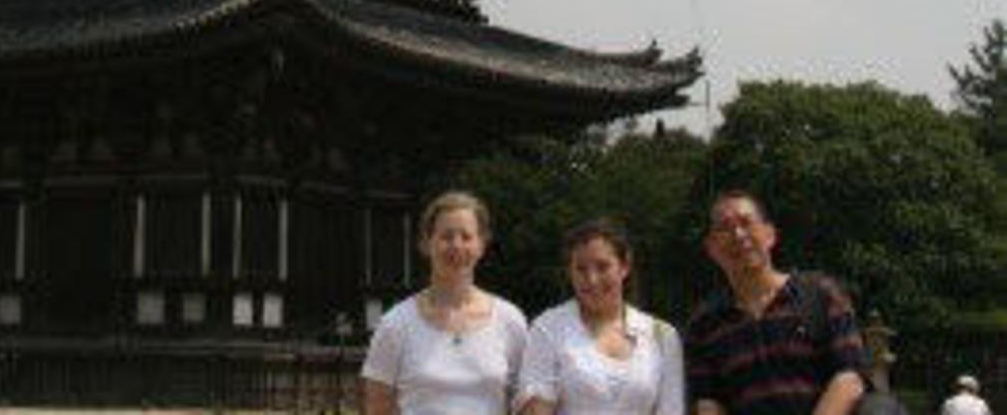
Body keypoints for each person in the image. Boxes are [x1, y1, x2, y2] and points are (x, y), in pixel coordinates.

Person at [684, 189, 866, 415]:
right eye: (725, 228)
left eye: (746, 222)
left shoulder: (820, 294)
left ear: (770, 234)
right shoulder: (704, 325)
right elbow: (708, 401)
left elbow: (849, 378)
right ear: (711, 248)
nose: (739, 235)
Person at [362, 190, 528, 415]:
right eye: (446, 236)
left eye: (466, 237)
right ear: (426, 243)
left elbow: (523, 404)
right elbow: (377, 408)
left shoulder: (510, 321)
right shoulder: (395, 324)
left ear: (481, 245)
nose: (456, 246)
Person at [516, 218, 684, 415]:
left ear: (624, 267)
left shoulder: (663, 336)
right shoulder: (548, 328)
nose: (592, 280)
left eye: (603, 267)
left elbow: (671, 410)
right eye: (581, 269)